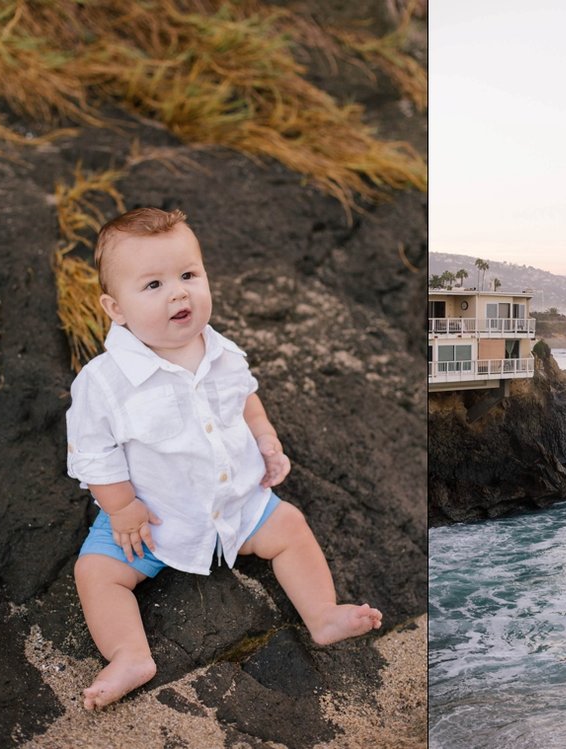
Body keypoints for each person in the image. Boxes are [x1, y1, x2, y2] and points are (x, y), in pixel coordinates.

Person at [66, 207, 382, 710]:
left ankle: (321, 614)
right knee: (96, 573)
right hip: (152, 517)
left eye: (189, 275)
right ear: (115, 307)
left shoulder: (223, 352)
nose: (178, 292)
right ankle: (129, 655)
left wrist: (267, 441)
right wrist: (122, 508)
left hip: (236, 502)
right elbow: (91, 452)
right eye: (153, 285)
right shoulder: (103, 383)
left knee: (292, 527)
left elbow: (246, 400)